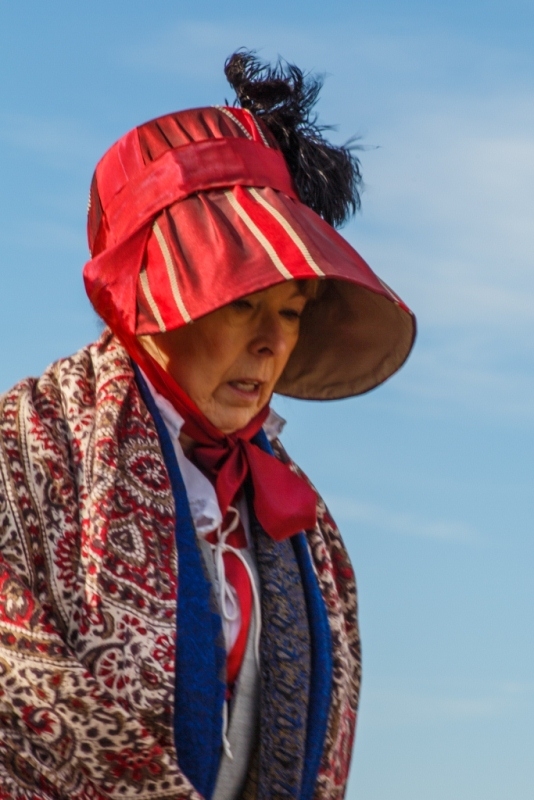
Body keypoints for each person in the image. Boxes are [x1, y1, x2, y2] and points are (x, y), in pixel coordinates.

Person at [0, 52, 415, 800]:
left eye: (289, 310)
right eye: (240, 302)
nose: (272, 343)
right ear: (151, 299)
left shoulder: (303, 530)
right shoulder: (22, 456)